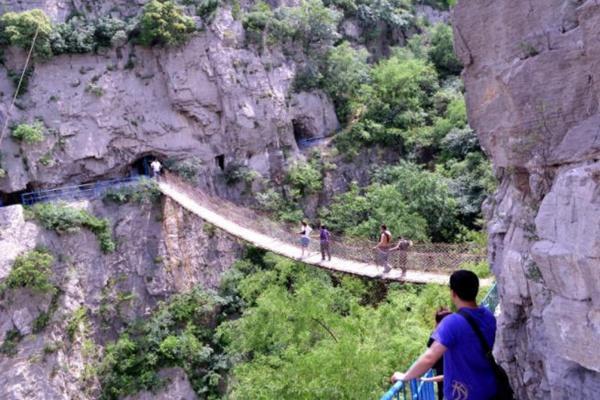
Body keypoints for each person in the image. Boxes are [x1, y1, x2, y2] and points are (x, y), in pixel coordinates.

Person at [390, 270, 498, 400]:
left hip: (465, 395)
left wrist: (405, 376)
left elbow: (430, 357)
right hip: (490, 389)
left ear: (453, 293)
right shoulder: (488, 316)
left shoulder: (452, 322)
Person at [424, 308, 452, 400]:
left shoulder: (437, 334)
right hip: (444, 368)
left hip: (442, 368)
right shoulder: (453, 334)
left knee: (442, 390)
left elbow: (429, 347)